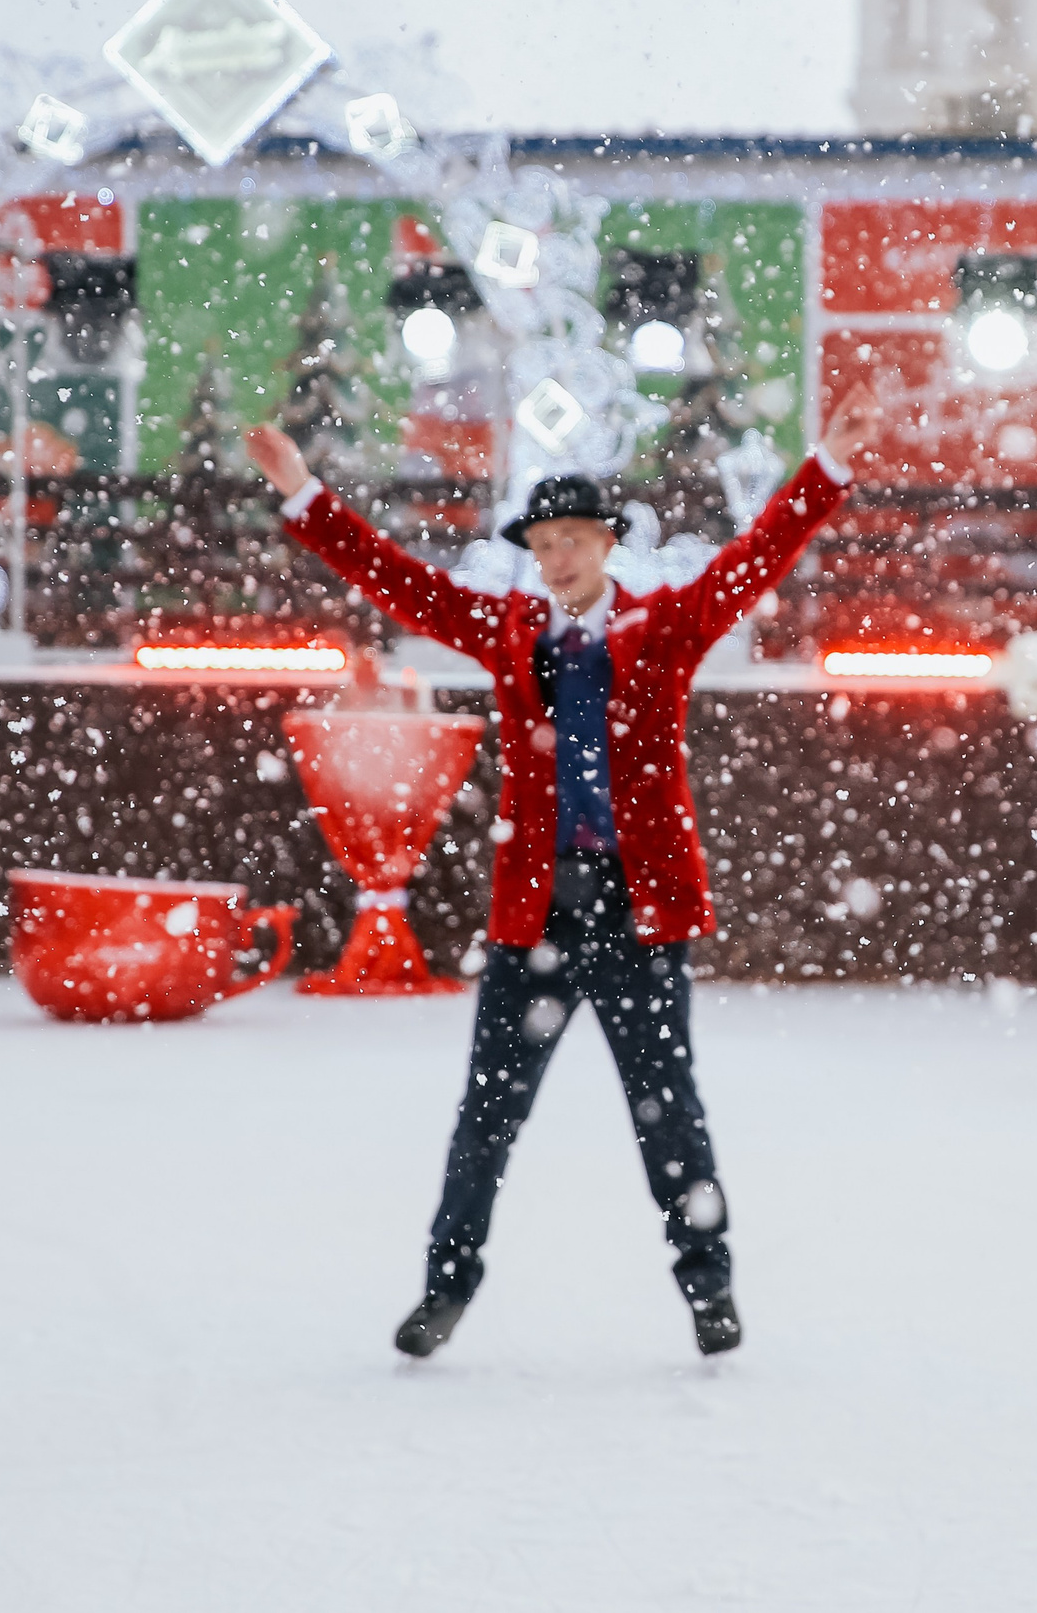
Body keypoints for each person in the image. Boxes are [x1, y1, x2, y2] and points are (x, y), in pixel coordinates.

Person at [245, 387, 880, 1359]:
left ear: (604, 543)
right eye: (545, 545)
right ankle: (444, 1286)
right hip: (535, 911)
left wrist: (825, 469)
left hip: (639, 908)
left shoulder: (661, 627)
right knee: (485, 1118)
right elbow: (400, 584)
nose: (559, 557)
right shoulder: (509, 633)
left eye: (575, 539)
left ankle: (708, 1287)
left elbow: (756, 563)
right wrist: (303, 495)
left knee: (668, 1113)